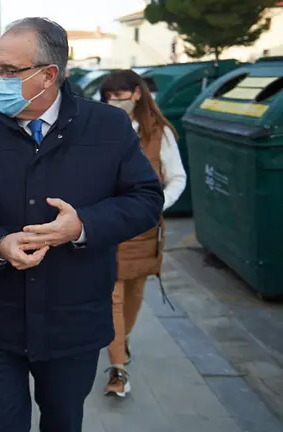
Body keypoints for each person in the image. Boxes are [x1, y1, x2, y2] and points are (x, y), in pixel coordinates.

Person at [0, 18, 164, 432]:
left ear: (49, 75)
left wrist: (81, 227)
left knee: (63, 422)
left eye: (9, 71)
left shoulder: (108, 127)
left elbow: (146, 200)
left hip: (73, 322)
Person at [99, 69, 187, 397]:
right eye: (108, 97)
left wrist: (156, 205)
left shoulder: (158, 133)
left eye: (119, 96)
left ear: (137, 94)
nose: (113, 102)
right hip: (109, 227)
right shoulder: (101, 129)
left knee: (133, 297)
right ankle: (118, 368)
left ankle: (121, 340)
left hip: (143, 231)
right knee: (112, 297)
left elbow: (176, 177)